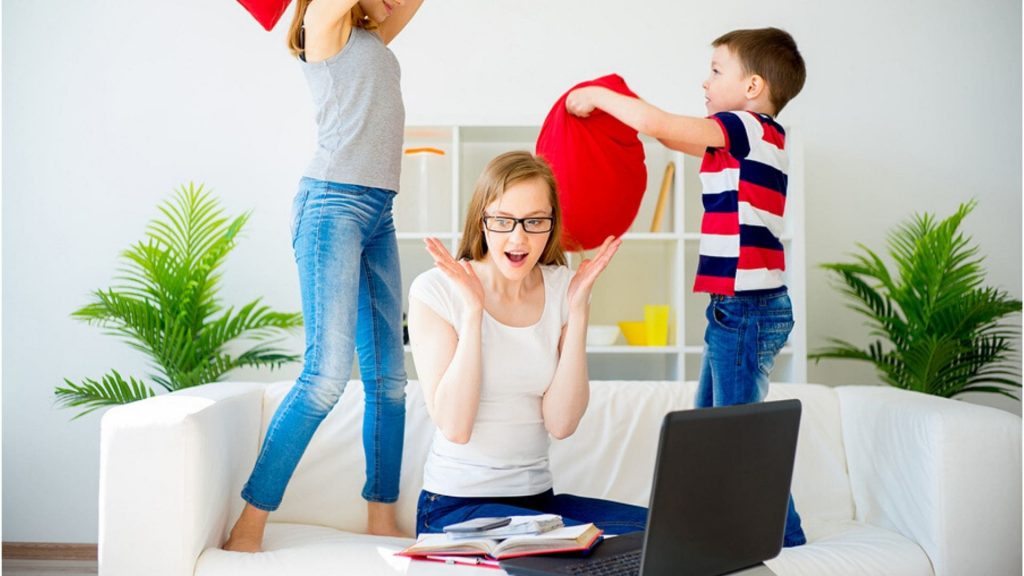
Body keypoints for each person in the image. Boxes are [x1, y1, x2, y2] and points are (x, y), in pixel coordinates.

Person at [565, 27, 808, 547]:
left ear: (752, 87)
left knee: (734, 433)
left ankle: (784, 536)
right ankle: (709, 526)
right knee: (708, 428)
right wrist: (625, 114)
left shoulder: (742, 127)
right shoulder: (758, 137)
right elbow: (670, 135)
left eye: (717, 71)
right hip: (740, 307)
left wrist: (595, 98)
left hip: (746, 306)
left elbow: (659, 122)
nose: (705, 80)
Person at [223, 0, 424, 552]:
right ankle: (251, 522)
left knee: (389, 381)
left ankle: (380, 519)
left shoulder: (372, 37)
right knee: (325, 376)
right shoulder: (323, 25)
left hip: (378, 211)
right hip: (330, 207)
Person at [407, 151, 646, 536]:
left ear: (551, 225)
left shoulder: (561, 289)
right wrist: (473, 312)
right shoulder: (436, 291)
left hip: (537, 502)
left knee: (664, 531)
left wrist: (579, 310)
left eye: (534, 221)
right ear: (482, 221)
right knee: (595, 545)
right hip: (455, 509)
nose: (518, 238)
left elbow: (562, 422)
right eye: (503, 221)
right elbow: (455, 426)